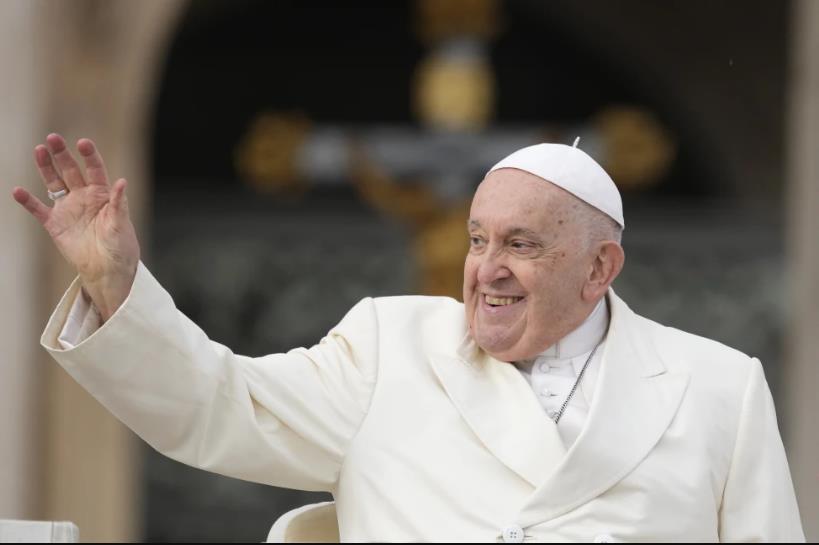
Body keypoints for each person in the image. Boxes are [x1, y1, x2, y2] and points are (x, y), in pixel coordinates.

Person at [12, 133, 804, 542]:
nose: (485, 270)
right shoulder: (391, 345)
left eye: (521, 245)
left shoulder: (716, 387)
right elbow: (217, 405)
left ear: (600, 267)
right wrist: (115, 281)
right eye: (476, 239)